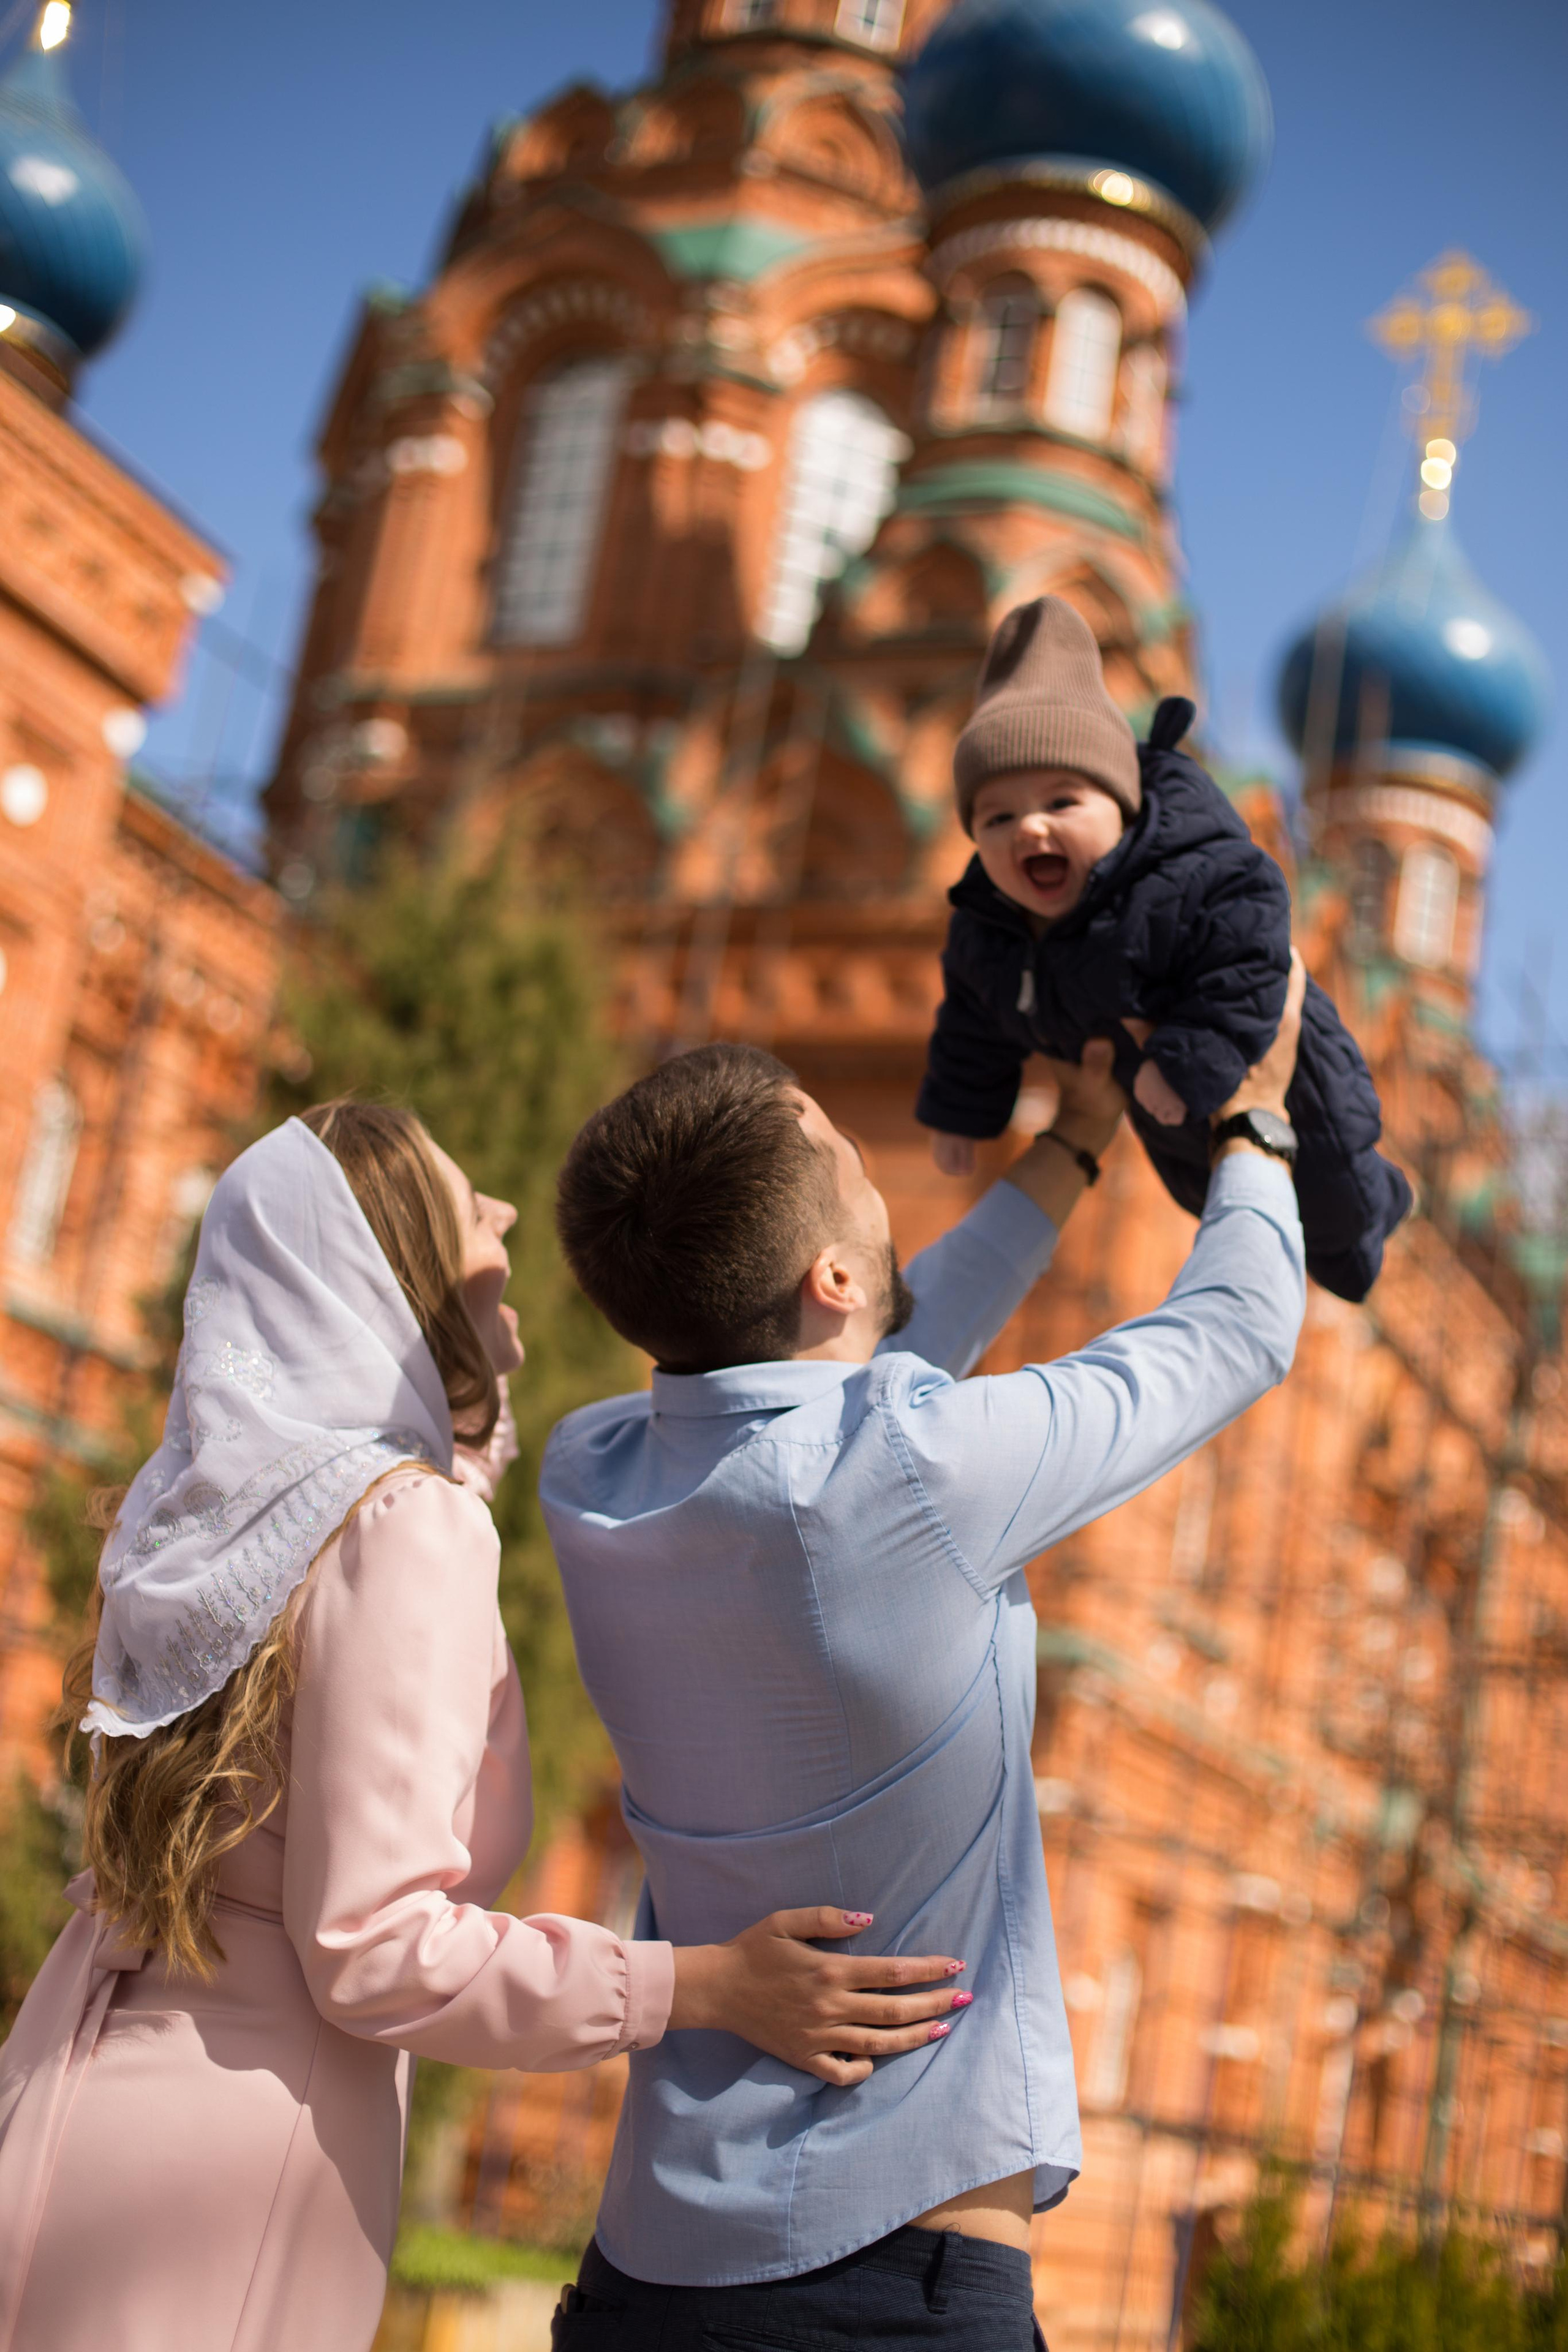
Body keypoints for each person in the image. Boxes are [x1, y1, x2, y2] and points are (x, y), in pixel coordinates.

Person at [0, 1104, 966, 2352]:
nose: (504, 1211)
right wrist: (701, 1986)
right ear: (383, 1267)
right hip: (220, 2188)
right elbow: (376, 1947)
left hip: (78, 2114)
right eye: (466, 1204)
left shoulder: (210, 1520)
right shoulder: (403, 1529)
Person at [541, 962, 1308, 2349]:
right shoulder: (907, 1469)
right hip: (886, 2284)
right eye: (841, 1145)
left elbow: (851, 1368)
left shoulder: (592, 1475)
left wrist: (1071, 1148)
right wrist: (1255, 1122)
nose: (856, 1147)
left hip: (648, 2273)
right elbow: (1237, 1328)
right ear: (832, 1274)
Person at [916, 594, 1411, 1302]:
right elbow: (971, 1020)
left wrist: (1185, 1062)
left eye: (1061, 803)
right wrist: (960, 1111)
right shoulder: (988, 931)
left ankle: (1380, 1207)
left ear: (1122, 810)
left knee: (1336, 1205)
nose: (1029, 829)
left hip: (1279, 1066)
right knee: (1202, 1192)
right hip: (1154, 1100)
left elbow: (1246, 950)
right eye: (997, 817)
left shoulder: (1182, 876)